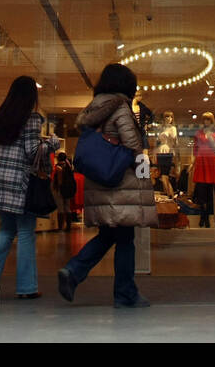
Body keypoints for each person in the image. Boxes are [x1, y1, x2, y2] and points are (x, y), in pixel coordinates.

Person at [57, 63, 158, 308]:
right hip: (119, 183)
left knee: (110, 234)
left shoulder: (95, 107)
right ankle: (125, 293)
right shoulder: (120, 107)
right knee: (125, 238)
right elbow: (133, 145)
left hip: (100, 179)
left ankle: (74, 271)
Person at [0, 76, 61, 299]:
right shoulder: (31, 118)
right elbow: (33, 151)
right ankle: (26, 287)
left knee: (6, 229)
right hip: (20, 181)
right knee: (25, 232)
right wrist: (53, 143)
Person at [191, 112, 215, 227]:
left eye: (208, 120)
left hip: (210, 161)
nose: (206, 122)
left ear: (212, 121)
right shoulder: (198, 133)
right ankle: (203, 215)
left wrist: (210, 138)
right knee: (201, 191)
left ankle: (207, 217)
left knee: (209, 192)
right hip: (201, 161)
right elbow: (195, 149)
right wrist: (192, 163)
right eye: (205, 119)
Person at [52, 151, 78, 231]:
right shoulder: (68, 166)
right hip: (68, 189)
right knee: (67, 207)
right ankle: (68, 227)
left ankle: (60, 227)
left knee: (60, 208)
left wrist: (57, 188)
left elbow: (59, 180)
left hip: (61, 189)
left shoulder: (58, 167)